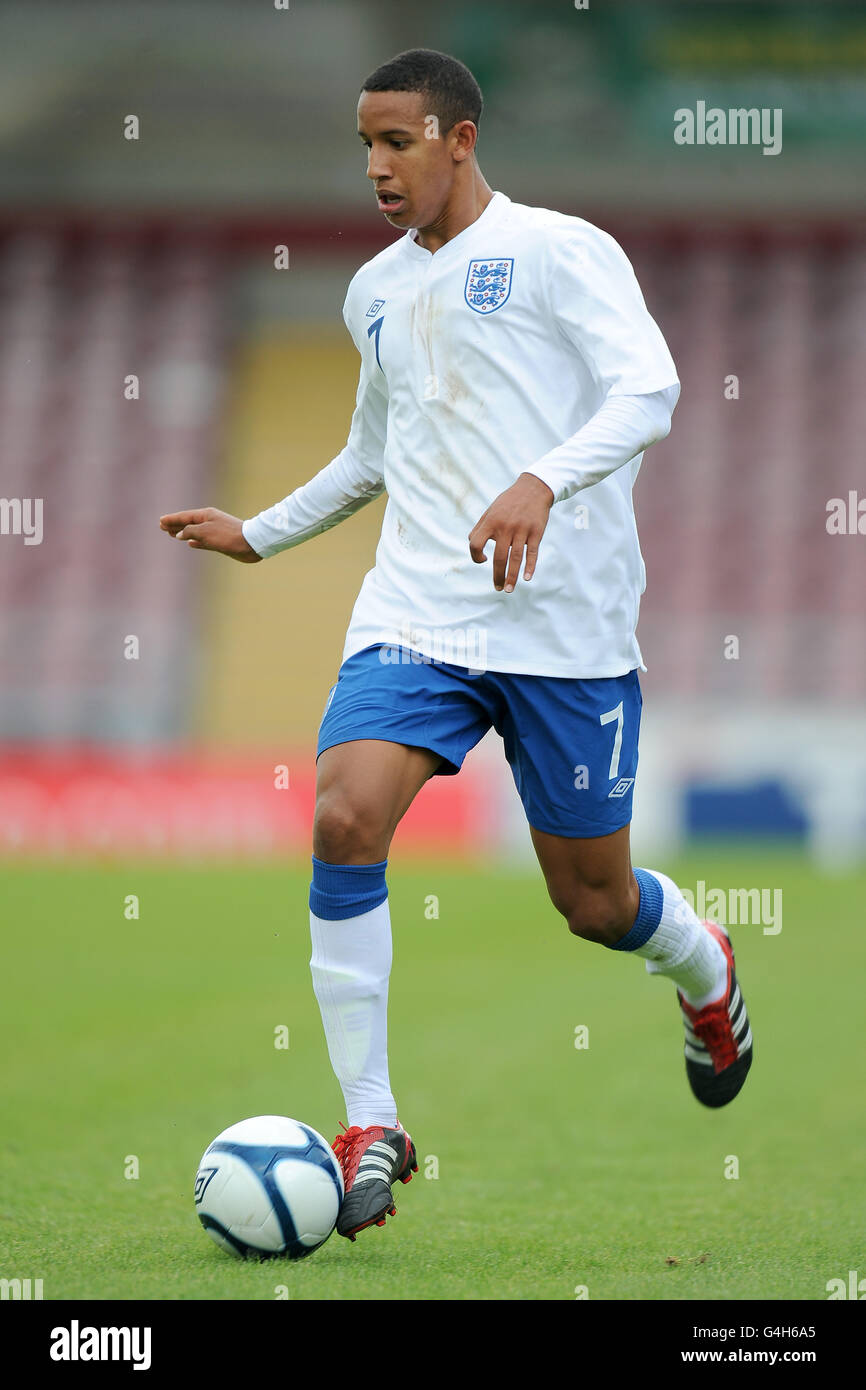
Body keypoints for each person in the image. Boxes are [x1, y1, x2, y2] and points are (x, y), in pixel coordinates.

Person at [160, 48, 753, 1244]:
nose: (376, 168)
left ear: (460, 138)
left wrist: (541, 479)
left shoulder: (558, 249)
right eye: (364, 146)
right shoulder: (370, 291)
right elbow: (372, 454)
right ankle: (371, 1121)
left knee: (591, 902)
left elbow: (648, 390)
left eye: (398, 142)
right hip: (417, 616)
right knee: (340, 817)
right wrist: (260, 533)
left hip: (562, 627)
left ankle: (704, 970)